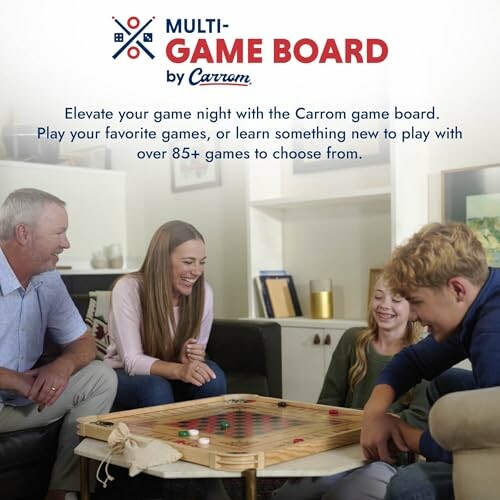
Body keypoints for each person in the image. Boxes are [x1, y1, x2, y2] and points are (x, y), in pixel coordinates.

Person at [361, 222, 500, 500]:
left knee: (408, 486)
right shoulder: (480, 294)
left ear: (457, 289)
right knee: (446, 383)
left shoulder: (491, 333)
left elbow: (492, 442)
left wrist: (405, 434)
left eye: (416, 302)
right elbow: (411, 361)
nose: (411, 315)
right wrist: (374, 413)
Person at [0, 188, 118, 500]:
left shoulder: (47, 278)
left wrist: (61, 367)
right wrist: (16, 380)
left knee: (100, 377)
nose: (66, 243)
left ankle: (65, 491)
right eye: (59, 233)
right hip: (15, 391)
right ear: (23, 233)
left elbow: (83, 341)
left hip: (19, 401)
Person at [273, 273, 429, 500]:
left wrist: (373, 432)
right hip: (341, 449)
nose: (384, 305)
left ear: (413, 307)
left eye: (396, 299)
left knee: (342, 495)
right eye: (378, 296)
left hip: (389, 462)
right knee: (290, 495)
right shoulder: (352, 340)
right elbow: (327, 403)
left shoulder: (425, 355)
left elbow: (416, 419)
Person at [105, 220, 227, 409]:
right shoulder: (129, 288)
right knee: (155, 388)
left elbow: (196, 357)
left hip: (174, 371)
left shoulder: (204, 292)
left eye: (201, 262)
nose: (197, 271)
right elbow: (131, 361)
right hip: (125, 376)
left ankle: (201, 438)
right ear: (162, 260)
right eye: (188, 262)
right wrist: (178, 369)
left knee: (213, 377)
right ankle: (162, 440)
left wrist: (188, 357)